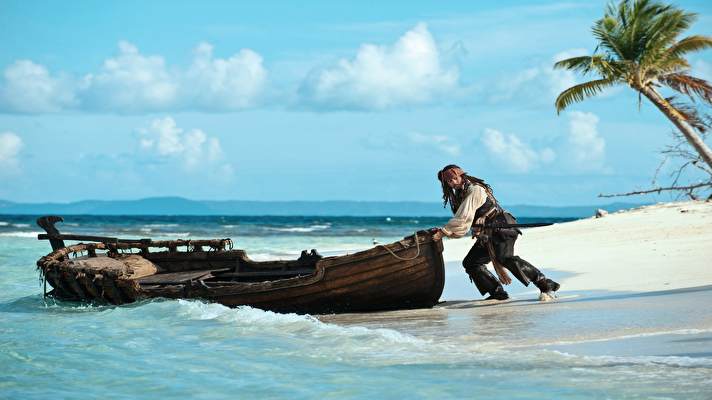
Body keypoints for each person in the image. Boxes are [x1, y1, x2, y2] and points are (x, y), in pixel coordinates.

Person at [432, 164, 560, 301]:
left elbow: (463, 217)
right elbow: (467, 218)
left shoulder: (475, 189)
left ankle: (546, 284)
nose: (452, 183)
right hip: (488, 234)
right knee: (471, 262)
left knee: (505, 258)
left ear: (461, 175)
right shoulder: (460, 194)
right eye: (449, 182)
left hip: (502, 228)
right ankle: (497, 292)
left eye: (454, 179)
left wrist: (444, 232)